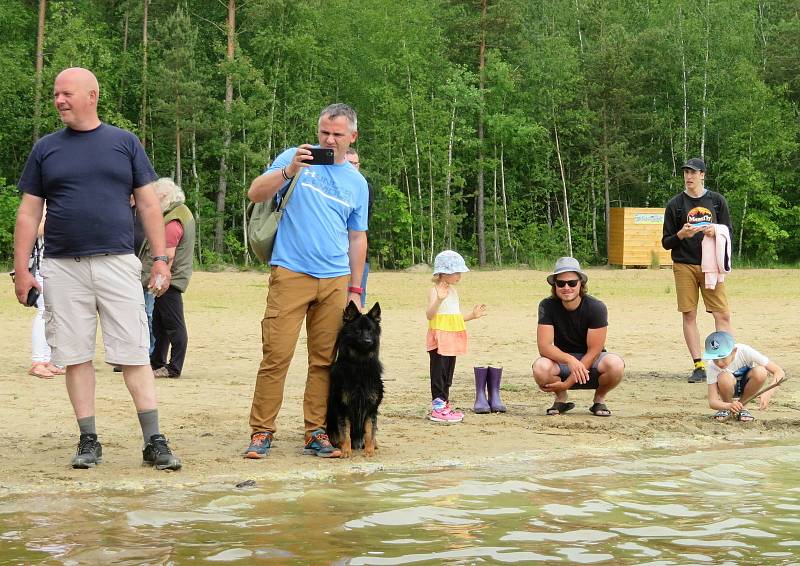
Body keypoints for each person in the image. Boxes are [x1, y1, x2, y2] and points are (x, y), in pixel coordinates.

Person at [13, 67, 181, 470]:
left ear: (92, 96)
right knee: (75, 355)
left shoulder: (123, 143)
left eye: (66, 93)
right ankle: (89, 440)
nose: (59, 101)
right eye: (55, 94)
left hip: (117, 263)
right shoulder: (46, 148)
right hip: (61, 266)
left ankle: (154, 441)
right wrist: (21, 269)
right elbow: (28, 211)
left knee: (135, 352)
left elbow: (148, 203)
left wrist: (160, 258)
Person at [244, 103, 369, 459]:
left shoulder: (357, 183)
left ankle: (315, 431)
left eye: (337, 135)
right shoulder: (294, 158)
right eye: (324, 133)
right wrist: (289, 169)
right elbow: (255, 193)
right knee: (276, 355)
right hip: (290, 272)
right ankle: (261, 432)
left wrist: (356, 290)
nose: (329, 140)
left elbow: (357, 238)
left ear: (352, 137)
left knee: (324, 360)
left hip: (335, 280)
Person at [662, 157, 734, 383]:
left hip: (711, 265)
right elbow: (666, 242)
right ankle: (699, 365)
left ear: (703, 175)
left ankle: (725, 363)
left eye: (693, 172)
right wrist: (681, 235)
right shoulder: (675, 205)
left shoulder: (716, 201)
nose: (689, 176)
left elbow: (729, 231)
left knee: (722, 314)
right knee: (689, 313)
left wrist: (717, 230)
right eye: (686, 172)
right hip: (684, 264)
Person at [531, 257, 624, 416]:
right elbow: (544, 346)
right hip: (562, 362)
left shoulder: (596, 307)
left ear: (581, 284)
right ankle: (560, 399)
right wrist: (570, 360)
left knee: (615, 364)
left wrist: (566, 383)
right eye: (561, 283)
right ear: (555, 286)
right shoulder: (547, 305)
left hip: (592, 361)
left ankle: (599, 400)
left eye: (572, 283)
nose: (566, 287)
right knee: (540, 368)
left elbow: (595, 351)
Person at [138, 178, 195, 378]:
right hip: (170, 280)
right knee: (160, 324)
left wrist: (160, 282)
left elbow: (168, 255)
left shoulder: (172, 220)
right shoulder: (178, 213)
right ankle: (157, 363)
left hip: (169, 282)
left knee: (173, 324)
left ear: (163, 196)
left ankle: (173, 367)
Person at [426, 250, 487, 423]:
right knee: (438, 372)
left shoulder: (453, 292)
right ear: (443, 272)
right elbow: (430, 315)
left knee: (448, 373)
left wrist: (472, 315)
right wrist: (438, 299)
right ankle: (437, 407)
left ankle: (444, 404)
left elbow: (454, 316)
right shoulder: (435, 291)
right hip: (439, 339)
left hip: (452, 337)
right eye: (456, 272)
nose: (460, 276)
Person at [702, 331, 785, 423]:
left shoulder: (745, 351)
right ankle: (727, 408)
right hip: (727, 389)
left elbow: (779, 372)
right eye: (715, 359)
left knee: (761, 371)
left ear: (734, 351)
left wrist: (768, 393)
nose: (719, 363)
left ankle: (743, 406)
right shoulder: (712, 366)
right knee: (724, 377)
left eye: (723, 357)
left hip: (747, 386)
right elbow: (712, 402)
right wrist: (728, 405)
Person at [28, 210, 65, 379]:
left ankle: (49, 359)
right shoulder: (41, 204)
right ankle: (38, 361)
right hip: (44, 266)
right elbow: (34, 229)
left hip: (58, 266)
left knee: (56, 315)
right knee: (44, 312)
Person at [344, 148, 374, 308]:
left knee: (355, 305)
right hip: (334, 256)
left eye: (355, 164)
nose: (352, 167)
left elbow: (356, 227)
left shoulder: (365, 188)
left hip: (357, 255)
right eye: (348, 163)